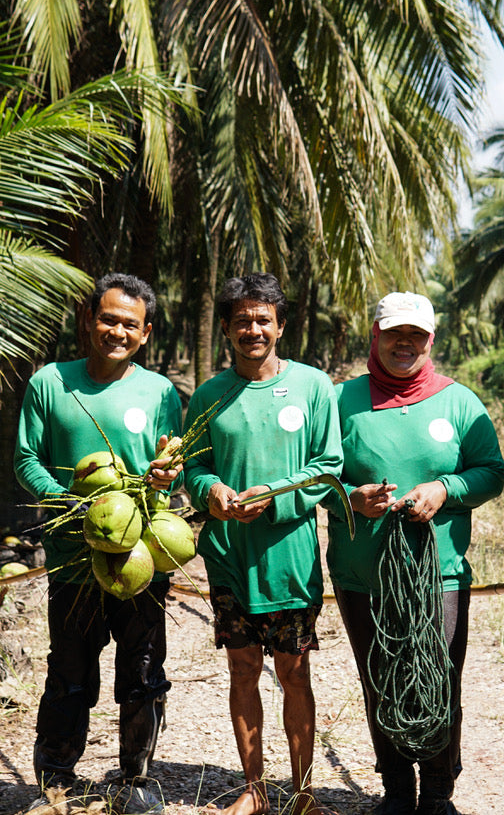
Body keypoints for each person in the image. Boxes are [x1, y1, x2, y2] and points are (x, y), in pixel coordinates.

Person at [327, 292, 504, 815]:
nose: (404, 343)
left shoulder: (459, 402)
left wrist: (445, 489)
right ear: (374, 336)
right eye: (393, 333)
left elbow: (491, 472)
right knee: (379, 677)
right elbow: (317, 475)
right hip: (363, 575)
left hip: (439, 574)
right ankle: (397, 791)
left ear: (430, 340)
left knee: (439, 676)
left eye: (415, 335)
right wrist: (350, 498)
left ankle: (438, 793)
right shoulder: (340, 401)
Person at [15, 273, 183, 812]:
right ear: (88, 320)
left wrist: (163, 477)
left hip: (140, 559)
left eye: (129, 324)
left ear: (146, 332)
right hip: (71, 558)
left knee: (142, 672)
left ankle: (136, 779)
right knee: (67, 674)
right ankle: (56, 781)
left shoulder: (159, 392)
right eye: (107, 319)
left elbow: (172, 466)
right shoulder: (49, 382)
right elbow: (26, 461)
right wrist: (64, 500)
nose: (117, 330)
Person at [181, 272, 343, 815]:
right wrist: (212, 493)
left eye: (263, 319)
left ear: (280, 324)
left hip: (289, 560)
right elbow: (195, 469)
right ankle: (254, 790)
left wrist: (275, 498)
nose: (253, 329)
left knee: (294, 674)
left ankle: (302, 792)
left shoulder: (313, 386)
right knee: (243, 669)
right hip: (228, 557)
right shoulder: (208, 395)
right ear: (227, 329)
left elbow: (327, 469)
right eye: (242, 320)